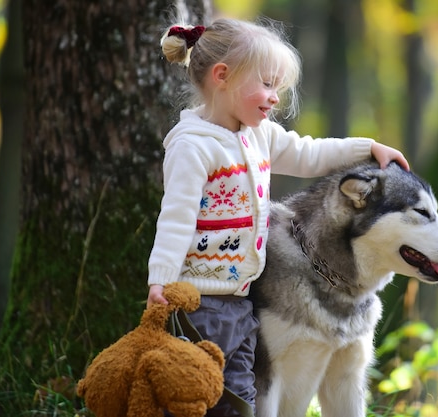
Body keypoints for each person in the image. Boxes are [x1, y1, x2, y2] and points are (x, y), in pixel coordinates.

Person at [147, 16, 410, 416]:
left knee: (240, 398)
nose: (275, 98)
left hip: (241, 303)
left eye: (278, 88)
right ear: (223, 76)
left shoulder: (259, 134)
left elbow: (309, 153)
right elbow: (175, 219)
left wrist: (368, 149)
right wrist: (161, 281)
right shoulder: (193, 147)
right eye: (267, 84)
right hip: (199, 305)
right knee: (196, 396)